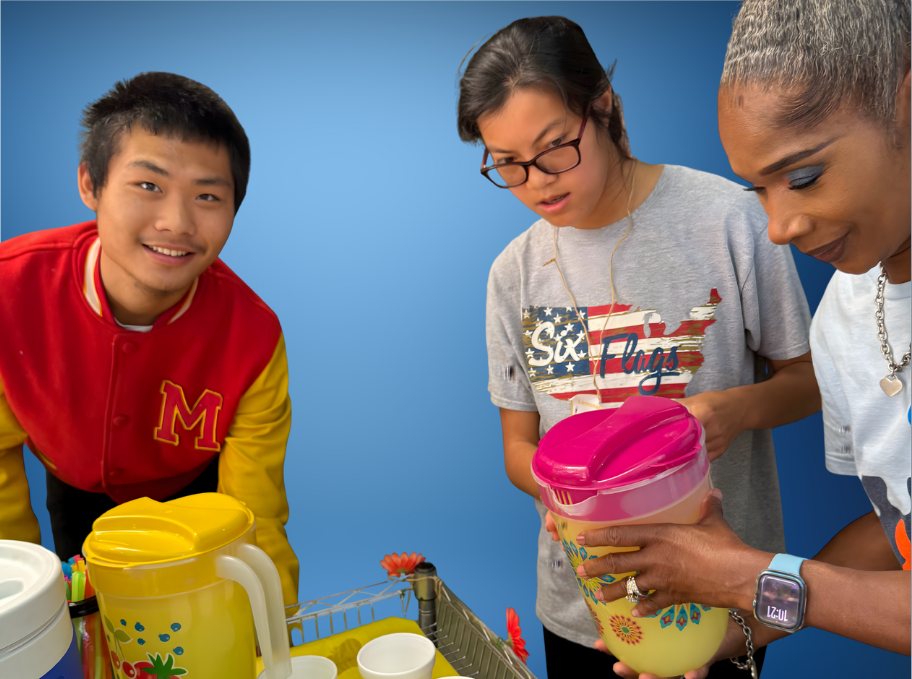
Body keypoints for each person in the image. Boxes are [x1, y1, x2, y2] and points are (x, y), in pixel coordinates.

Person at [457, 16, 820, 677]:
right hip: (585, 603)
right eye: (508, 164)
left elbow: (809, 380)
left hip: (717, 593)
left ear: (604, 106)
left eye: (554, 147)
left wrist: (734, 410)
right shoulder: (514, 272)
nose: (537, 182)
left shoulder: (729, 219)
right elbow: (517, 447)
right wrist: (561, 494)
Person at [569, 1, 911, 676]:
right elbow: (896, 531)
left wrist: (745, 577)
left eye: (804, 176)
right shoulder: (843, 317)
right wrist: (741, 624)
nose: (779, 226)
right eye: (759, 189)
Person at [0, 72, 300, 607]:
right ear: (90, 183)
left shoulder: (254, 336)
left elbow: (257, 516)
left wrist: (278, 632)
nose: (176, 222)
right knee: (87, 618)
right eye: (148, 186)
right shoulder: (9, 292)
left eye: (207, 195)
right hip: (76, 491)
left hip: (198, 498)